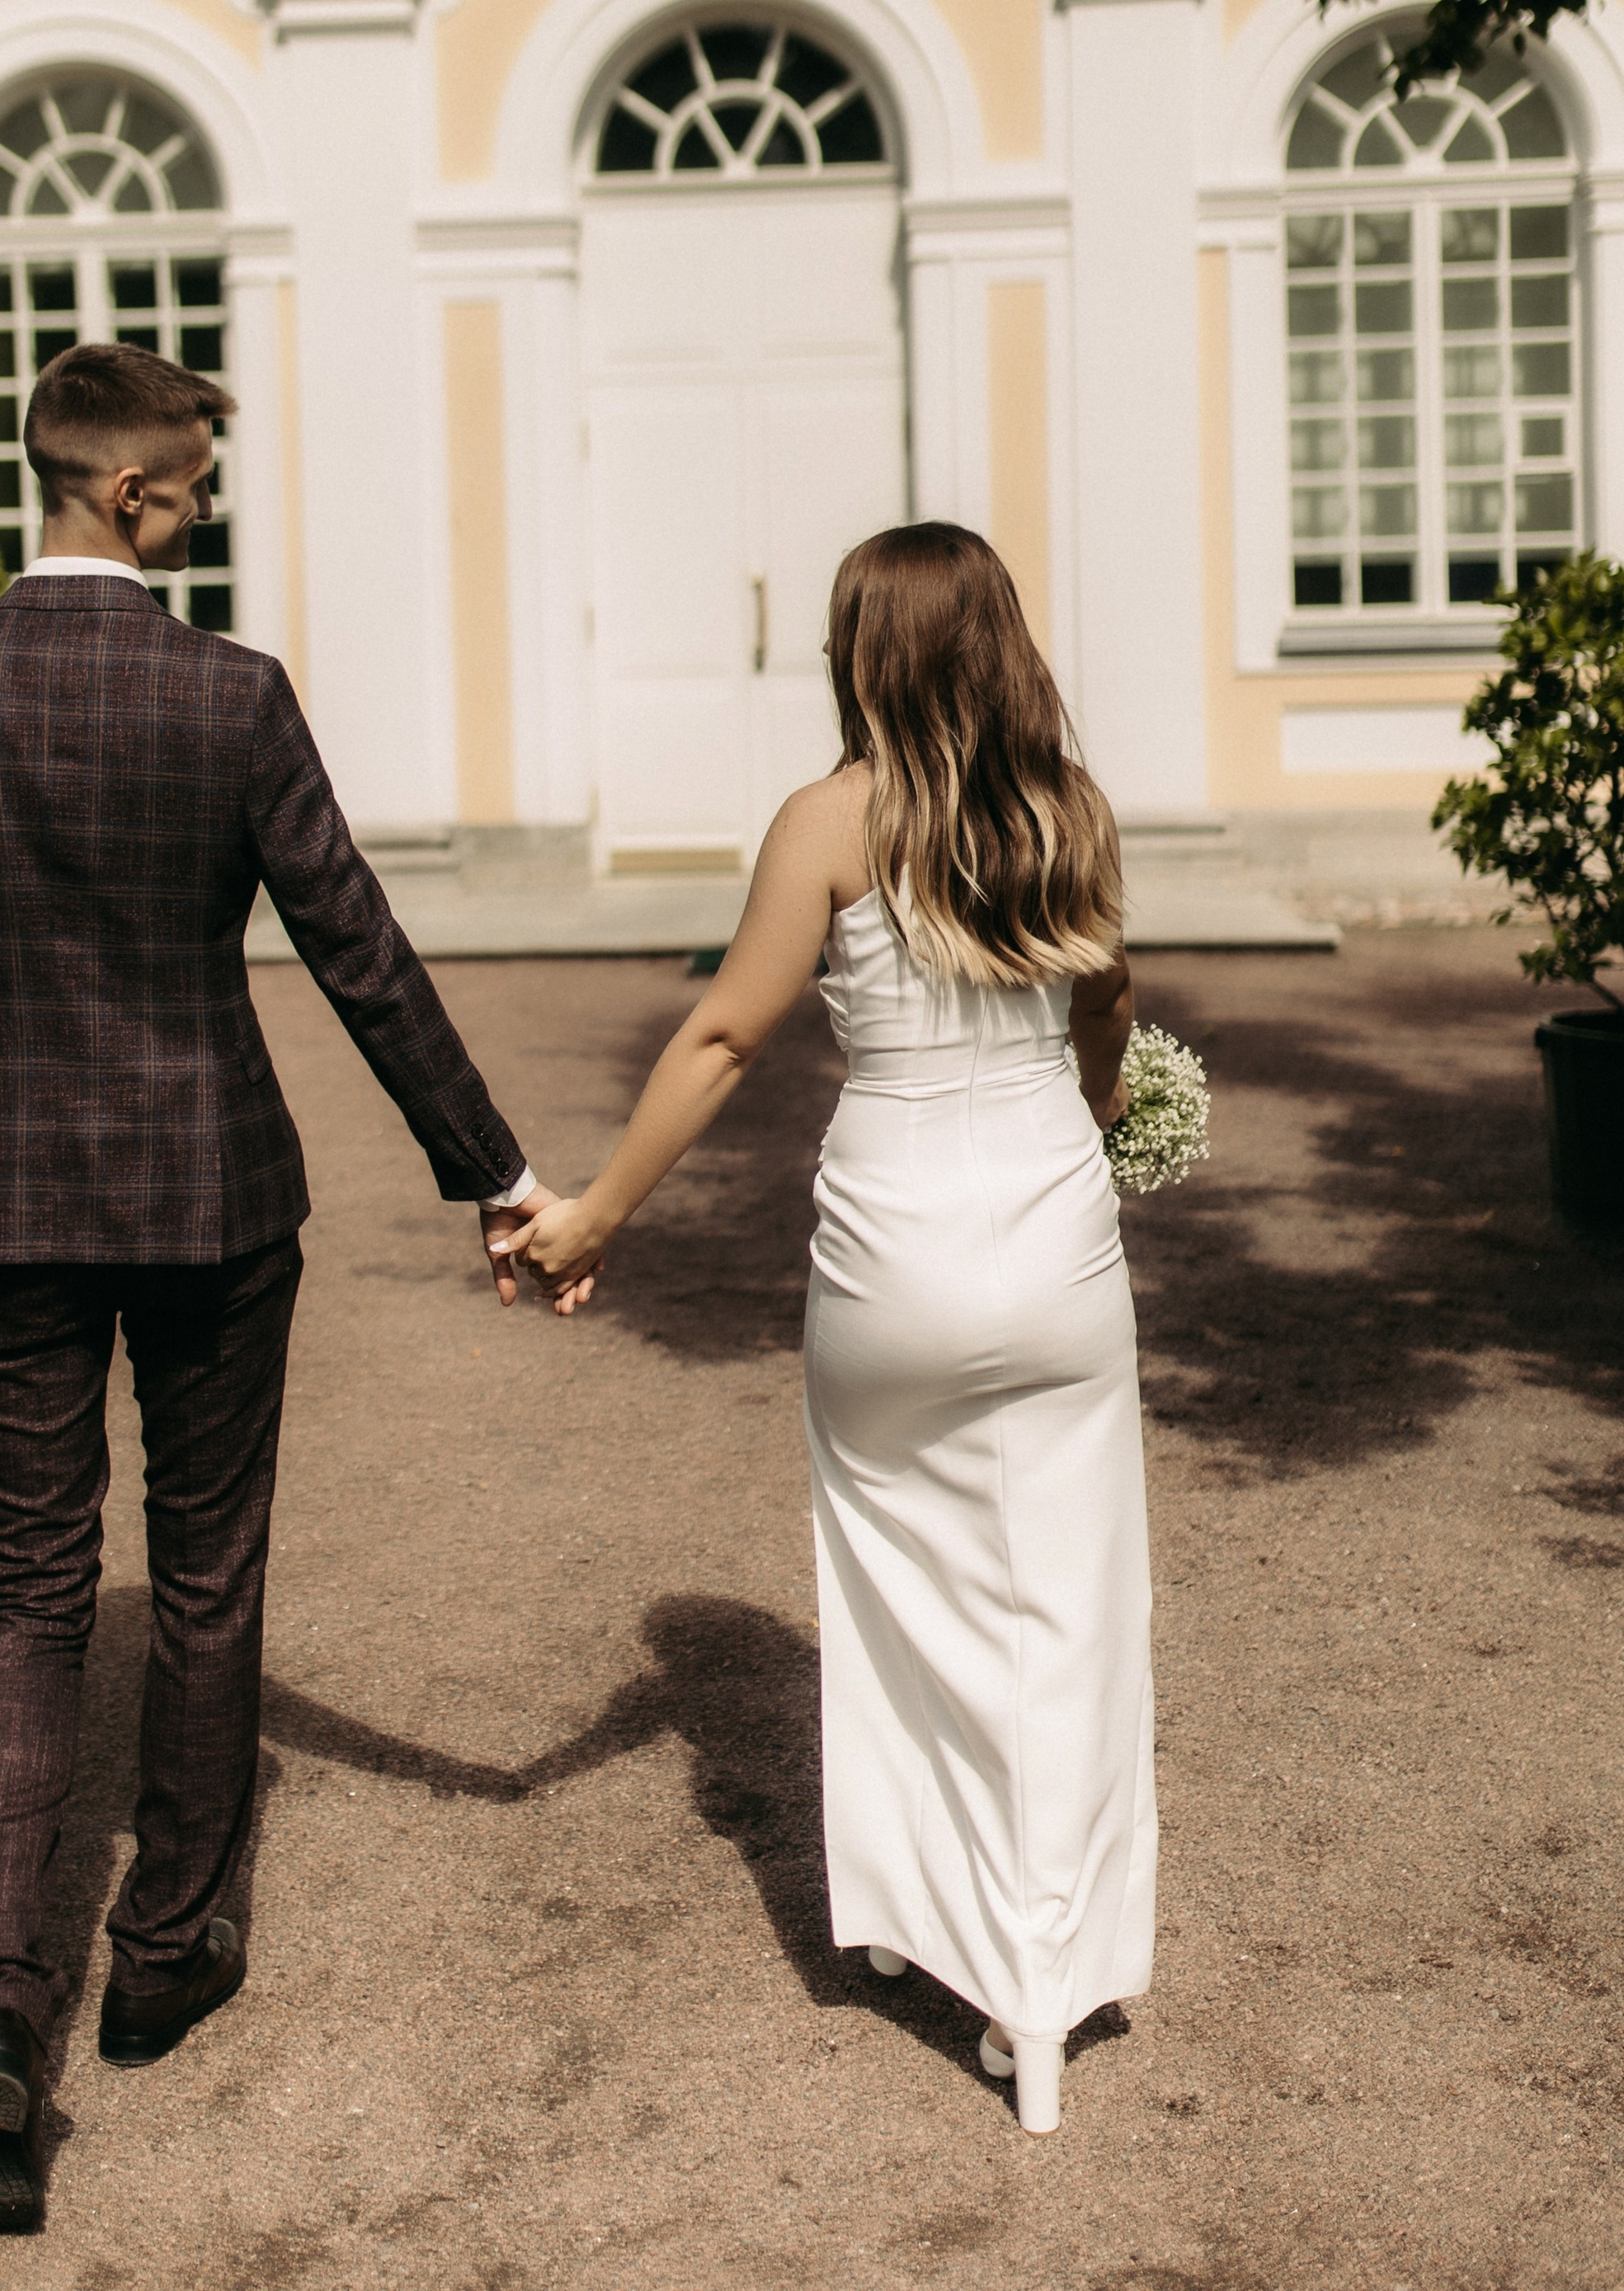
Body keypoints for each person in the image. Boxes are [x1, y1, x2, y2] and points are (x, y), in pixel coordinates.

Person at [0, 341, 556, 2232]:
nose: (198, 511)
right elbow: (356, 947)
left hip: (1, 1205)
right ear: (127, 493)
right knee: (203, 1578)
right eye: (190, 485)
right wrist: (501, 1176)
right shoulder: (227, 697)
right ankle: (169, 1942)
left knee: (26, 1595)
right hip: (211, 1200)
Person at [513, 521, 1154, 2135]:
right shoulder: (1067, 810)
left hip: (895, 1259)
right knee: (1065, 1609)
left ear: (856, 650)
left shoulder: (823, 819)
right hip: (1056, 1245)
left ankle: (933, 1935)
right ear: (1001, 642)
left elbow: (729, 1030)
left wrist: (592, 1211)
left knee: (903, 1600)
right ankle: (1047, 1979)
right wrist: (1090, 1126)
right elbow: (1105, 1009)